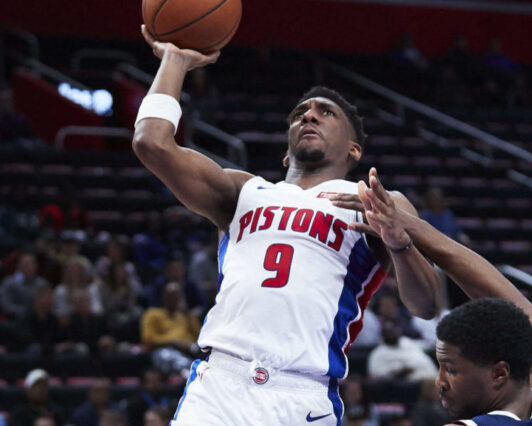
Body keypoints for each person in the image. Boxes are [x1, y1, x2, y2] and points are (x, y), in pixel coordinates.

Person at [132, 25, 441, 425]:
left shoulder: (376, 203)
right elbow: (151, 143)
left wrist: (400, 244)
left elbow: (428, 305)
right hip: (219, 386)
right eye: (300, 114)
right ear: (285, 151)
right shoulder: (244, 190)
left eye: (325, 112)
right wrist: (174, 59)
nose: (309, 115)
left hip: (302, 394)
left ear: (354, 149)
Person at [330, 167, 532, 425]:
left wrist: (408, 230)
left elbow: (508, 299)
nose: (440, 382)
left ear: (499, 373)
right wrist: (405, 228)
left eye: (451, 369)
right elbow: (513, 303)